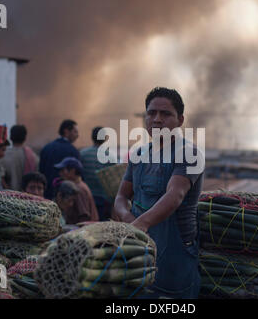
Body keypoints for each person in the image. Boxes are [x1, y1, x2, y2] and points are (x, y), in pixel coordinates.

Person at [113, 87, 204, 299]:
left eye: (165, 114)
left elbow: (175, 196)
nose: (157, 119)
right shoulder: (138, 154)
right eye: (151, 113)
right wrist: (128, 218)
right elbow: (120, 197)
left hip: (174, 256)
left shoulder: (189, 153)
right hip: (138, 250)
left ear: (180, 120)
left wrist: (140, 224)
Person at [80, 126, 116, 220]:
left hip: (85, 197)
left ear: (92, 138)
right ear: (104, 139)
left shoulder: (82, 154)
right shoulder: (110, 156)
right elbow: (113, 181)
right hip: (103, 199)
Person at [39, 120, 80, 199]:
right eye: (75, 132)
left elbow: (41, 171)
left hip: (47, 194)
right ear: (66, 131)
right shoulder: (73, 151)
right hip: (65, 196)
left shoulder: (46, 148)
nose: (77, 135)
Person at [54, 157, 99, 221]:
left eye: (63, 170)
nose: (60, 173)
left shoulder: (79, 189)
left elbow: (84, 215)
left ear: (72, 171)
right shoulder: (79, 185)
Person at [0, 125, 39, 191]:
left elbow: (1, 179)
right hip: (28, 197)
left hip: (9, 196)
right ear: (25, 138)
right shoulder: (33, 157)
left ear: (11, 137)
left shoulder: (3, 155)